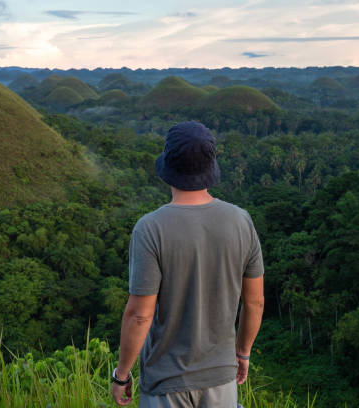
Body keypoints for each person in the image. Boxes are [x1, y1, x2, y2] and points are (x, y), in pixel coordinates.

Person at [110, 121, 265, 408]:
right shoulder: (241, 221)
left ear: (169, 169)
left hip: (166, 383)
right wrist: (243, 353)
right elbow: (254, 302)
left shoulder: (150, 228)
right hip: (221, 378)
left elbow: (139, 315)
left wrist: (121, 375)